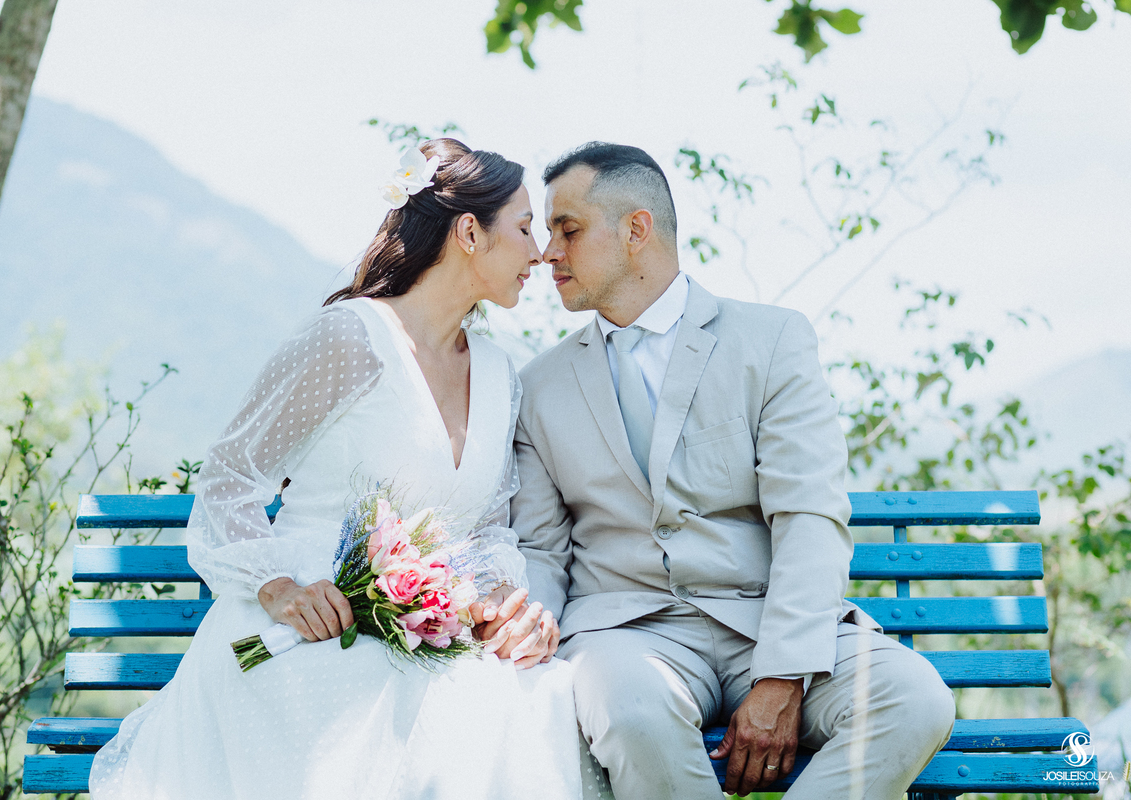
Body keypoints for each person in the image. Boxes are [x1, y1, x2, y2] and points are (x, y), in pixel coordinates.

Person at [89, 138, 612, 800]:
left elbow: (483, 533)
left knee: (534, 701)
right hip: (308, 628)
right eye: (526, 226)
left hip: (427, 637)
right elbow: (228, 482)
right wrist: (279, 588)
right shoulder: (349, 339)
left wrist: (497, 609)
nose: (539, 251)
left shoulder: (501, 373)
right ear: (470, 232)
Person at [486, 142, 957, 799]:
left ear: (636, 229)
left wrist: (784, 675)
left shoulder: (771, 341)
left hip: (767, 621)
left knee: (915, 700)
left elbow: (809, 517)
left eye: (567, 230)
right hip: (626, 637)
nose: (547, 253)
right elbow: (541, 547)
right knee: (631, 713)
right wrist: (529, 619)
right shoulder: (539, 386)